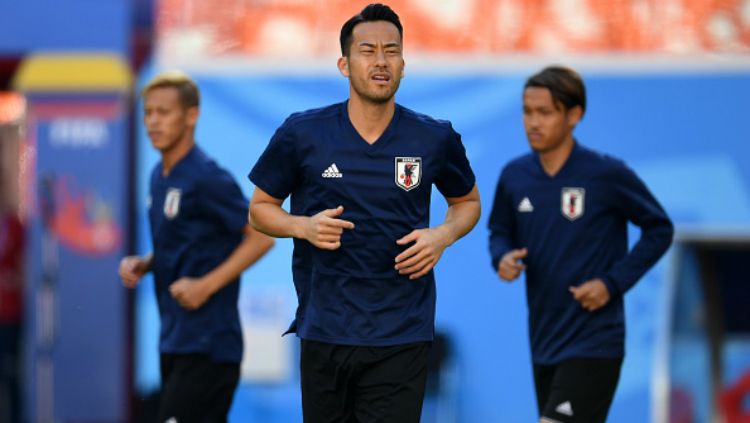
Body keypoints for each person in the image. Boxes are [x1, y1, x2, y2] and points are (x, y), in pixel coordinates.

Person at [248, 4, 480, 422]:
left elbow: (467, 203)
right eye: (367, 51)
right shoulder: (303, 134)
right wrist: (303, 226)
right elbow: (260, 210)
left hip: (402, 334)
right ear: (344, 63)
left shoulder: (434, 137)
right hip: (325, 330)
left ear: (404, 64)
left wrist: (441, 236)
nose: (380, 61)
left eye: (391, 51)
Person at [488, 66, 674, 423]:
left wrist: (611, 284)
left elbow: (659, 228)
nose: (533, 122)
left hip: (594, 340)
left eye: (545, 112)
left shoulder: (606, 174)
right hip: (543, 338)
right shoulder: (515, 175)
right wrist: (502, 257)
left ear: (574, 115)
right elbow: (499, 229)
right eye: (527, 112)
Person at [118, 71, 274, 423]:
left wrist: (205, 285)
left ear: (192, 115)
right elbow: (182, 240)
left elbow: (262, 237)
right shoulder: (159, 176)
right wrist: (145, 263)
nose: (153, 122)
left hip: (210, 345)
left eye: (164, 112)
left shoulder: (208, 178)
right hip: (175, 339)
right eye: (148, 112)